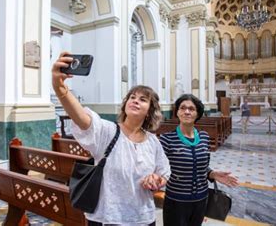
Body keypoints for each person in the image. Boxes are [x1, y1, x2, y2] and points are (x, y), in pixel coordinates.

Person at [52, 52, 170, 226]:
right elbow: (83, 120)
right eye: (132, 97)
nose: (135, 101)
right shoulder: (108, 131)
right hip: (108, 218)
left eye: (143, 99)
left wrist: (156, 180)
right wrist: (60, 87)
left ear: (150, 111)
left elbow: (164, 171)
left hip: (143, 218)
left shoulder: (153, 142)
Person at [160, 94, 238, 226]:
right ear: (177, 112)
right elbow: (161, 169)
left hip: (201, 199)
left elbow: (203, 166)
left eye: (191, 109)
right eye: (182, 108)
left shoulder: (204, 137)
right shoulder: (167, 139)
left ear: (197, 113)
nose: (187, 111)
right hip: (176, 200)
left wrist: (212, 174)